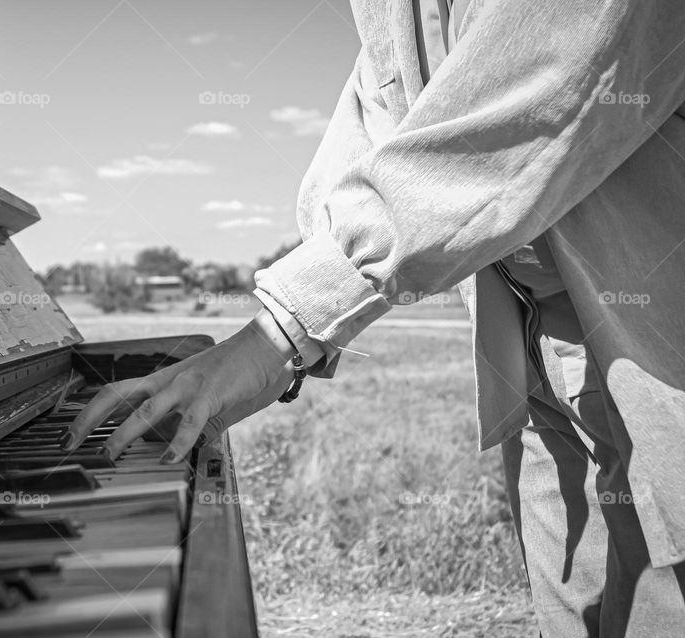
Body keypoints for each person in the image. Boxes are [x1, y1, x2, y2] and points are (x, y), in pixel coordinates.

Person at [63, 1, 685, 635]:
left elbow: (536, 92)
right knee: (571, 601)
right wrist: (285, 322)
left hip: (654, 346)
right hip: (524, 355)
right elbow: (380, 119)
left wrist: (283, 333)